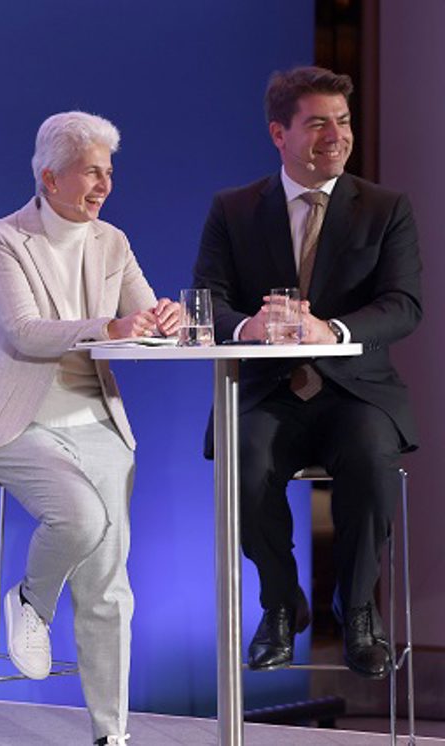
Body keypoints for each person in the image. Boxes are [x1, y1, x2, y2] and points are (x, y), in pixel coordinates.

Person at [0, 111, 180, 746]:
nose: (104, 185)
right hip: (14, 422)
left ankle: (112, 734)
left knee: (108, 584)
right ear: (50, 177)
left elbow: (142, 314)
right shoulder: (3, 238)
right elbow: (24, 331)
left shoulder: (112, 242)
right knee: (79, 518)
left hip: (97, 420)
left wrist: (164, 320)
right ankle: (32, 601)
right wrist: (108, 327)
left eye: (109, 172)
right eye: (91, 172)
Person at [193, 66, 422, 678]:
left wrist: (333, 331)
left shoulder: (385, 208)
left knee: (370, 458)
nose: (336, 136)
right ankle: (280, 604)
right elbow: (208, 301)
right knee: (244, 460)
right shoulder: (234, 209)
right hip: (269, 390)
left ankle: (358, 609)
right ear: (279, 133)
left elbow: (404, 304)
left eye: (342, 121)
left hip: (355, 391)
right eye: (318, 123)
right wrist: (249, 326)